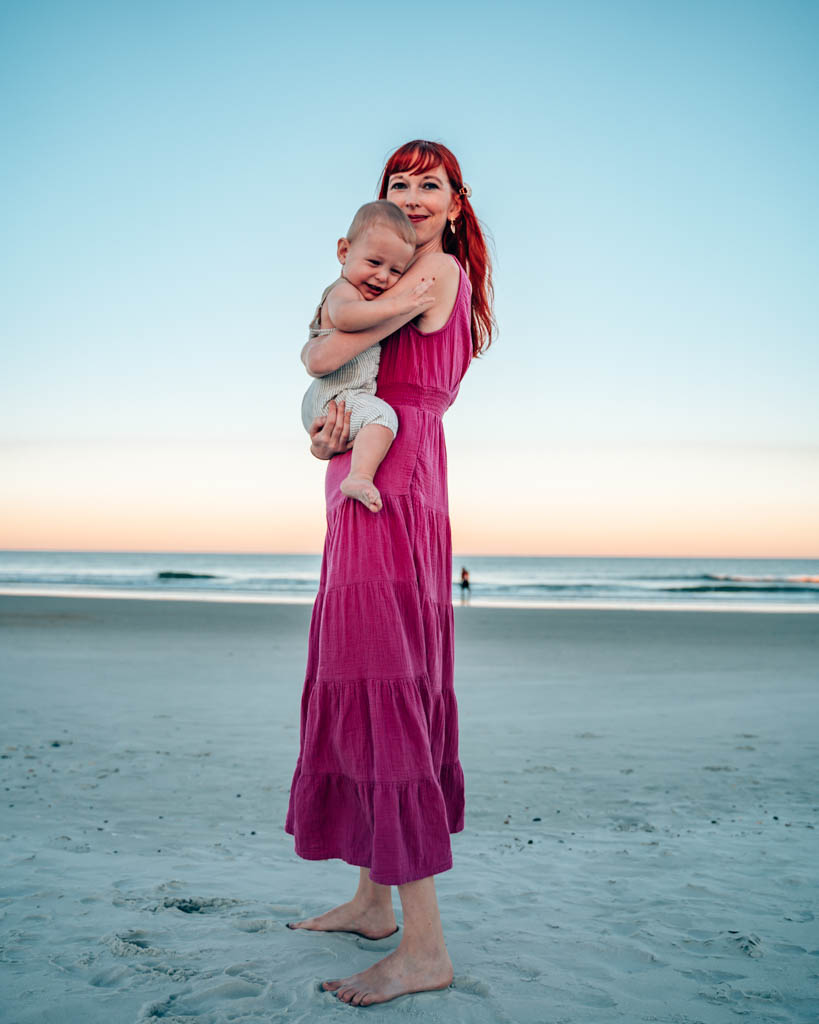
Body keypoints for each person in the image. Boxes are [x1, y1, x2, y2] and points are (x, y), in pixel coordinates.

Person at [285, 139, 495, 1007]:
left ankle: (424, 948)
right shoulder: (401, 277)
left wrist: (323, 341)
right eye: (396, 184)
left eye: (429, 185)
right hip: (378, 464)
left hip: (394, 481)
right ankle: (374, 902)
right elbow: (344, 380)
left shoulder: (434, 272)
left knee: (384, 679)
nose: (411, 196)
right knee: (363, 670)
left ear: (454, 204)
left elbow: (329, 351)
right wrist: (322, 434)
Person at [300, 200, 435, 513]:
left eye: (395, 271)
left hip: (339, 396)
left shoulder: (361, 292)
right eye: (374, 262)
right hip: (333, 397)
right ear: (344, 252)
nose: (382, 277)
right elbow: (347, 317)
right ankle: (359, 477)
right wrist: (400, 305)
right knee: (383, 416)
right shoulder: (343, 290)